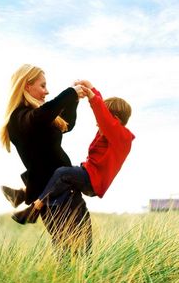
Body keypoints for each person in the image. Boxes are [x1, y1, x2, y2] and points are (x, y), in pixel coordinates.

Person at [11, 79, 135, 224]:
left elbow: (102, 113)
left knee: (62, 173)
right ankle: (22, 193)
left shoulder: (121, 136)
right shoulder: (111, 133)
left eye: (102, 119)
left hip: (93, 181)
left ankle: (34, 209)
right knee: (58, 177)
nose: (97, 122)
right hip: (88, 174)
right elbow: (104, 112)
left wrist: (92, 97)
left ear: (115, 120)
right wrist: (91, 87)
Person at [0, 65, 92, 255]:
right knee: (77, 255)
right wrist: (69, 92)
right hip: (56, 197)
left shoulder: (35, 117)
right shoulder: (20, 118)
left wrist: (74, 100)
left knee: (76, 255)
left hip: (62, 192)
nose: (47, 91)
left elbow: (66, 125)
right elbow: (41, 117)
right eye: (43, 86)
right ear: (27, 86)